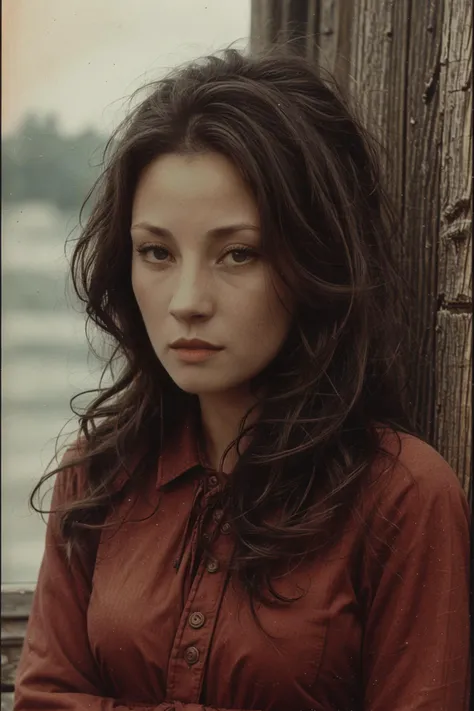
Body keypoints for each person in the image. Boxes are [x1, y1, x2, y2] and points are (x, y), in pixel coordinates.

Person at [14, 47, 470, 711]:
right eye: (157, 252)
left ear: (314, 256)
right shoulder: (98, 474)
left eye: (237, 253)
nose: (187, 299)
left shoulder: (402, 497)